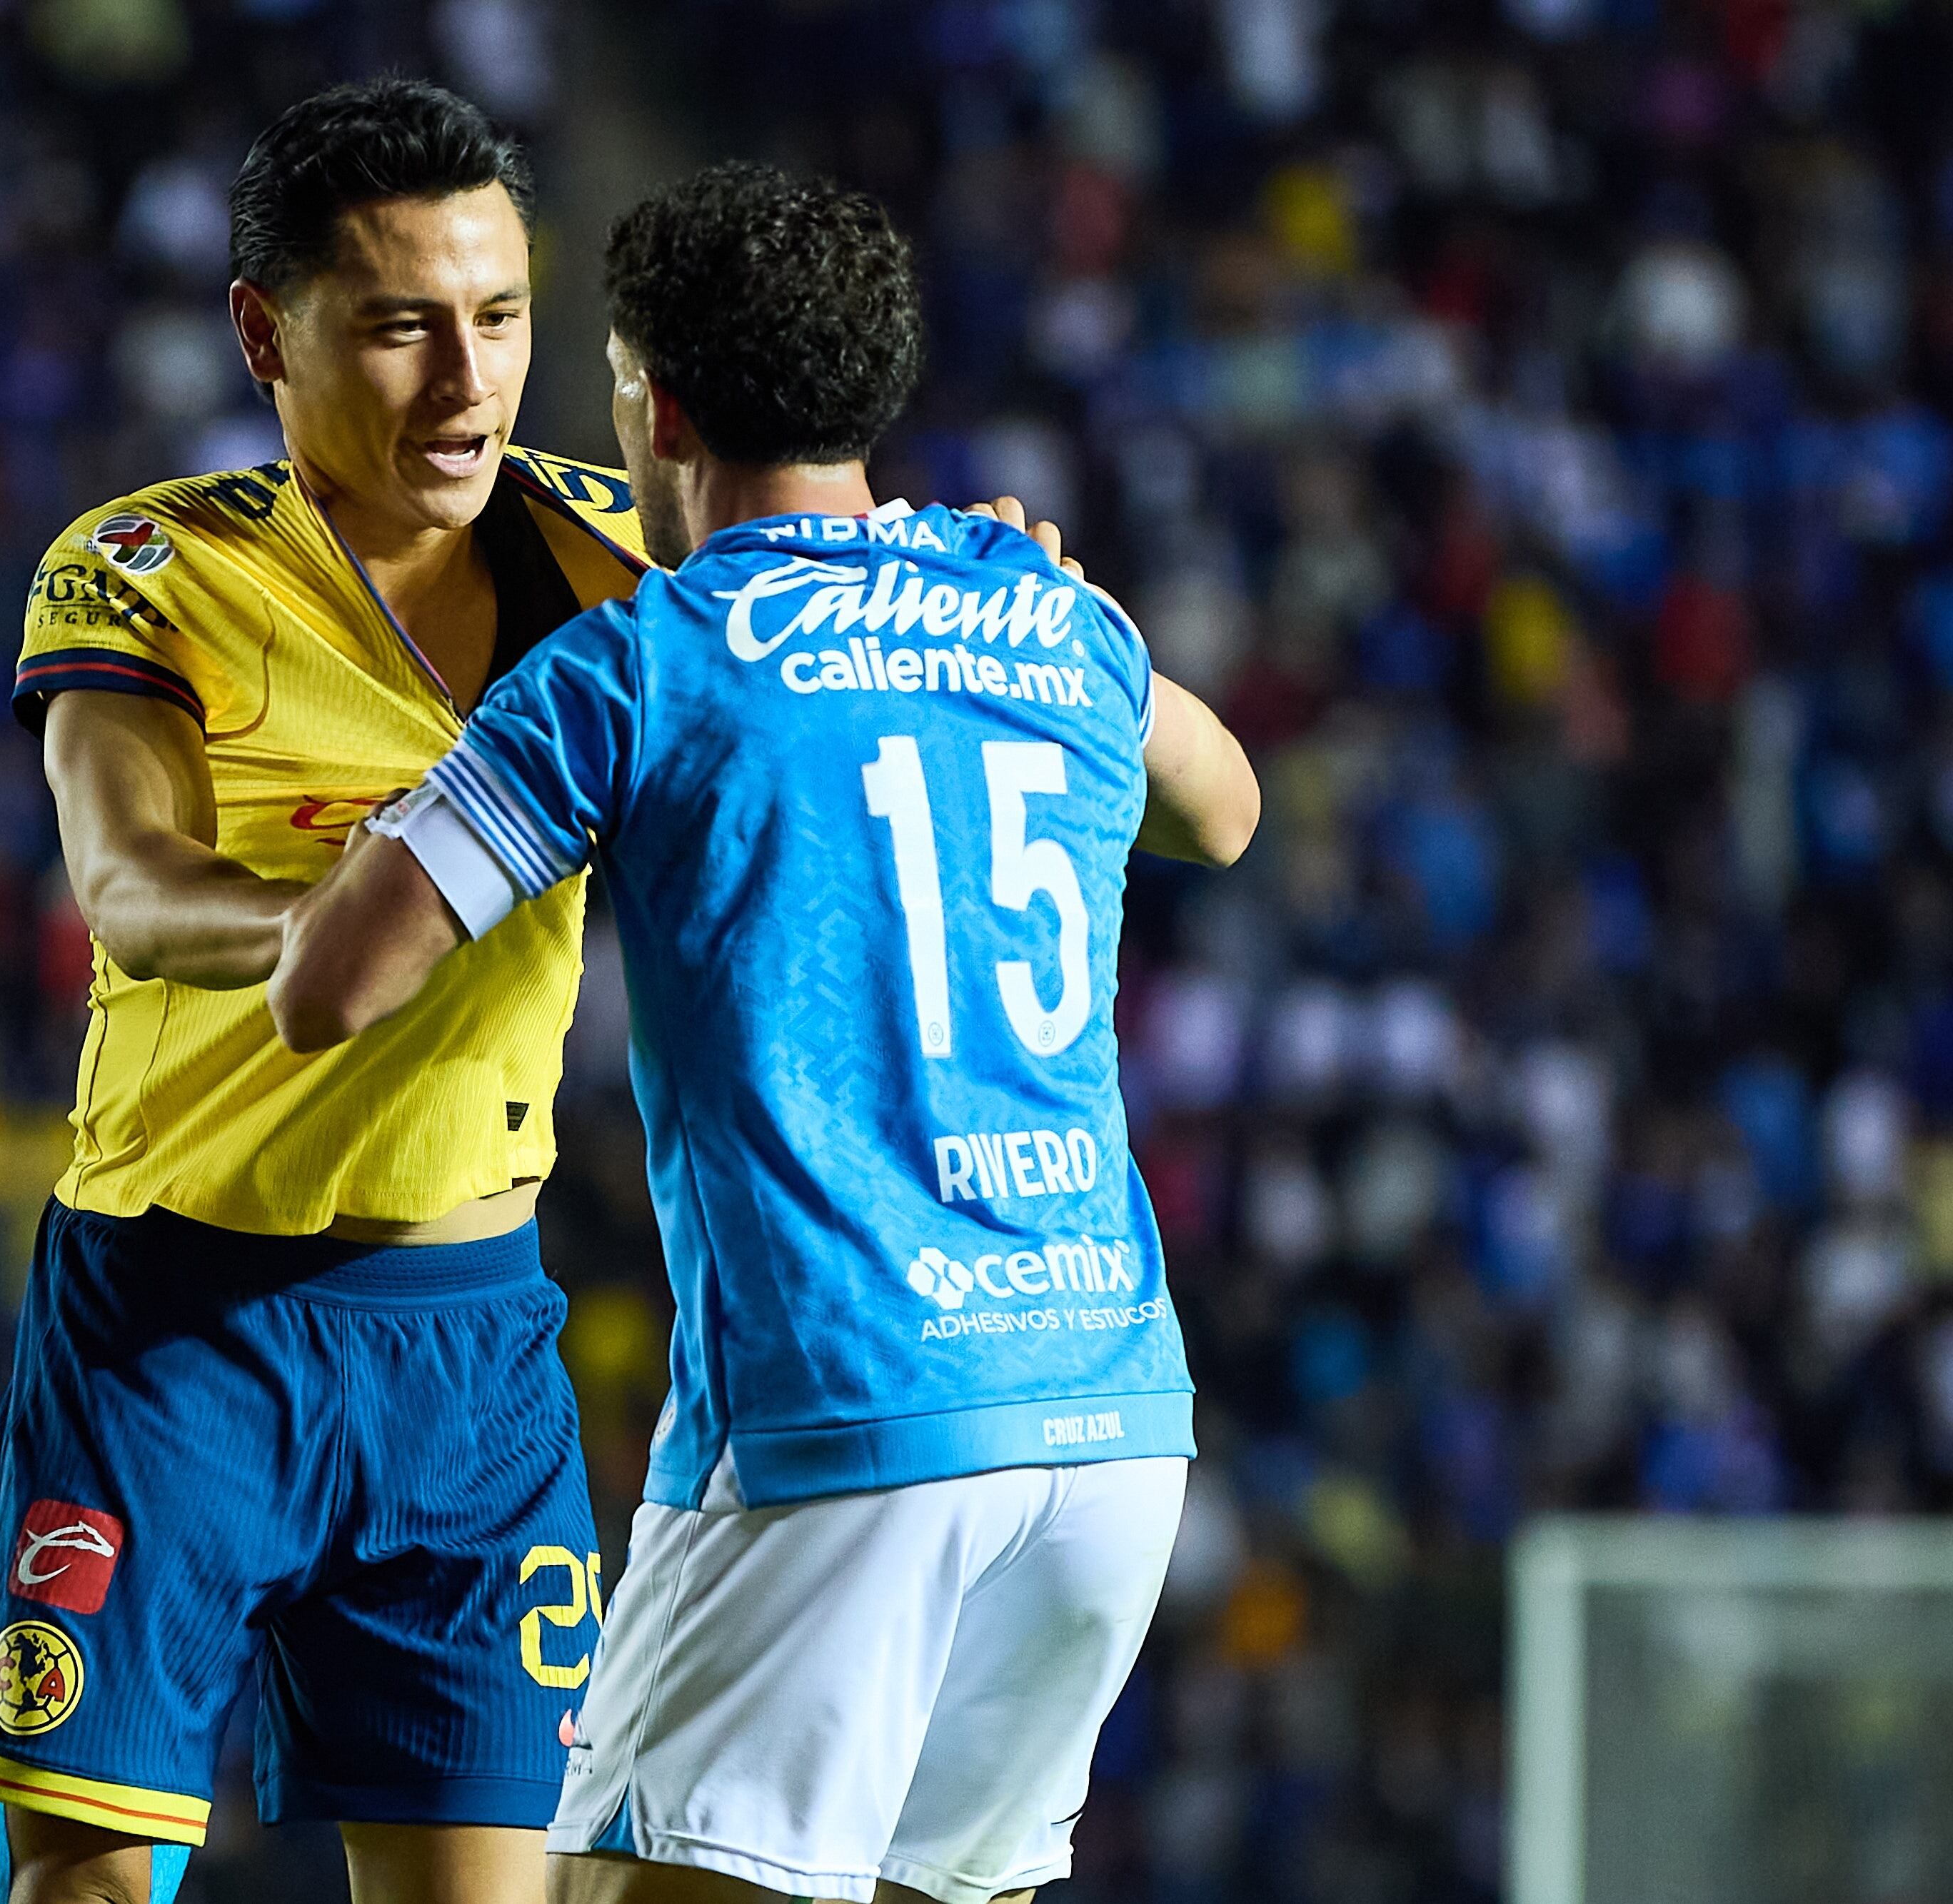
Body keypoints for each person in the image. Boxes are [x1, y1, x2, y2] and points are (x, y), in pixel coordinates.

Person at [267, 162, 1260, 1904]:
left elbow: (328, 987)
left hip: (843, 1417)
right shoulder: (1045, 613)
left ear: (645, 395)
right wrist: (1039, 625)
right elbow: (1227, 807)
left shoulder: (645, 660)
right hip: (1106, 1417)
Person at [0, 79, 648, 1904]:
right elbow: (129, 889)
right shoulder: (151, 566)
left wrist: (977, 571)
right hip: (176, 1327)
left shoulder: (625, 559)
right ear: (260, 332)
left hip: (473, 1344)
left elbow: (829, 620)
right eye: (398, 328)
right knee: (84, 1881)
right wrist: (351, 925)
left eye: (502, 320)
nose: (466, 384)